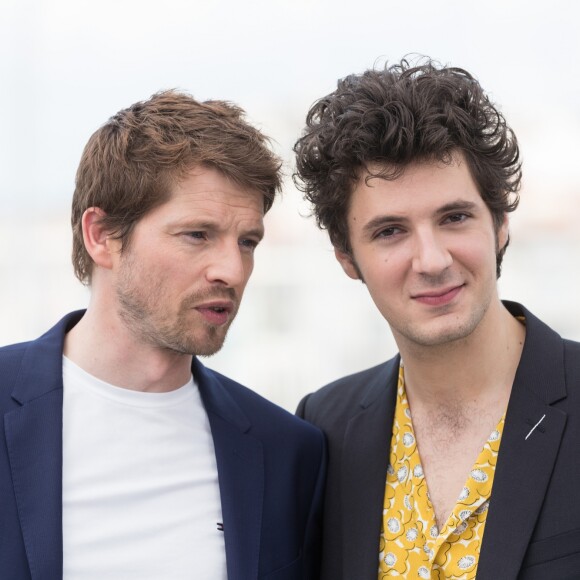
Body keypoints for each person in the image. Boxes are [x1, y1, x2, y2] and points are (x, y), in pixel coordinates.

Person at [0, 90, 325, 580]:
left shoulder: (288, 452)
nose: (232, 270)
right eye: (197, 235)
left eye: (248, 242)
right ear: (102, 235)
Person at [293, 58, 580, 580]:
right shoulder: (323, 428)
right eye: (389, 232)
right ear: (346, 258)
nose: (432, 260)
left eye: (454, 218)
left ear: (499, 225)